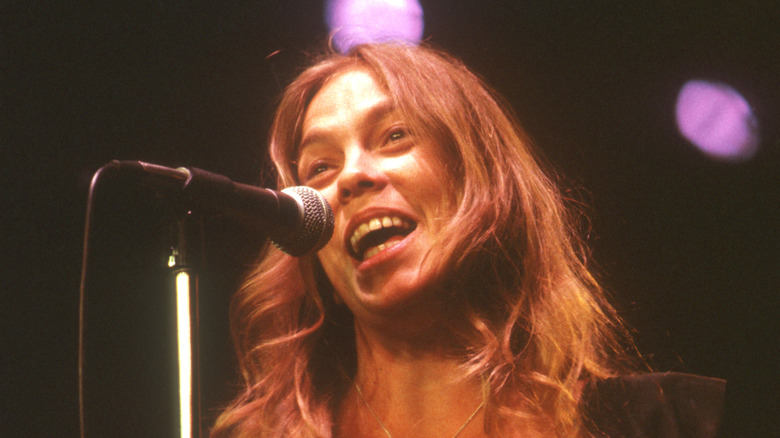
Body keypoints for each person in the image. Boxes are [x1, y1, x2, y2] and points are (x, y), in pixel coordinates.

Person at [211, 43, 725, 437]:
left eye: (394, 135)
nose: (350, 179)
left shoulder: (677, 421)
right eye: (320, 167)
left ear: (479, 175)